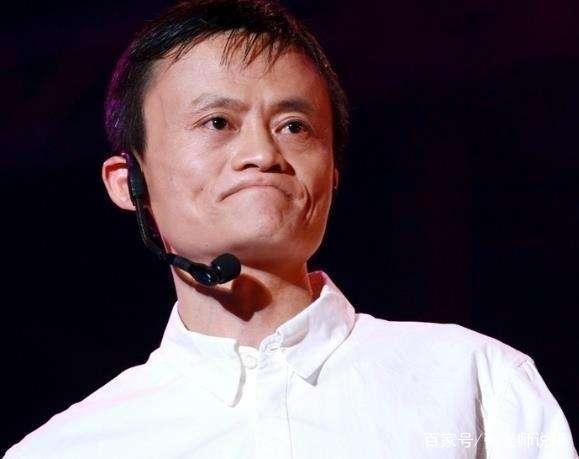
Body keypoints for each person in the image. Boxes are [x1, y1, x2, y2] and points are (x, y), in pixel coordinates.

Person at [5, 0, 577, 457]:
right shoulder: (69, 448)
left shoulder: (472, 378)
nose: (262, 153)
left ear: (332, 175)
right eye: (217, 122)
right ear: (129, 182)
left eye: (294, 126)